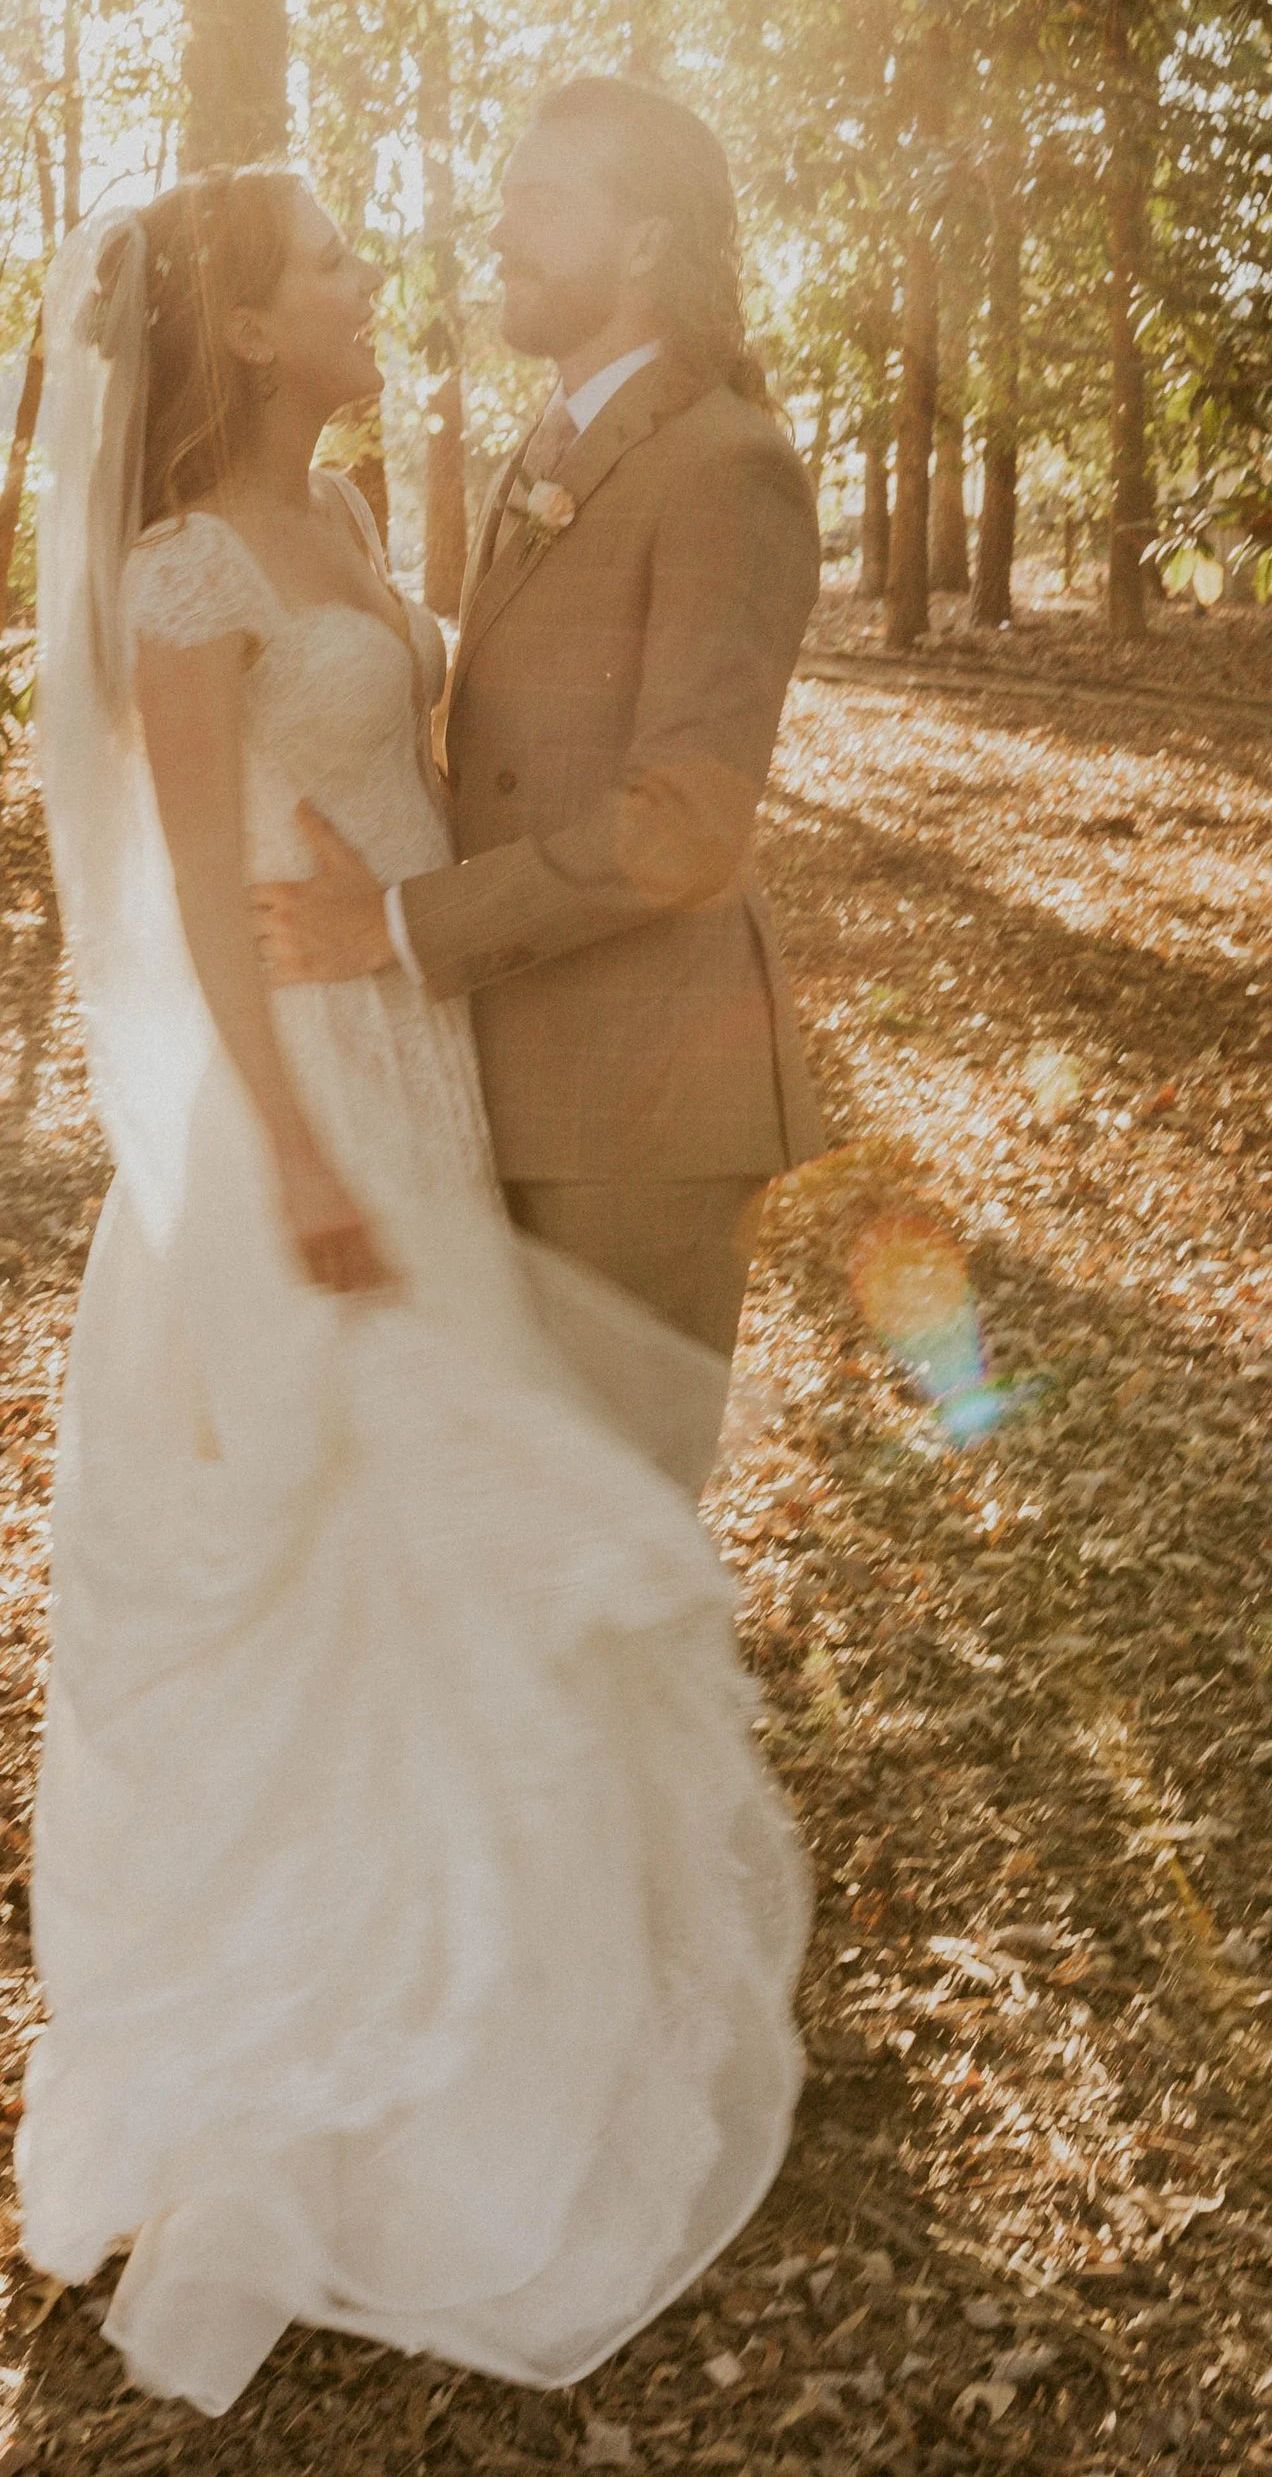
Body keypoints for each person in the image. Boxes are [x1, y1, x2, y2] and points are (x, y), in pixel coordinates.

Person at [17, 160, 808, 2420]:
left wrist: (398, 990)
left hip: (425, 1063)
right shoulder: (180, 572)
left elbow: (506, 794)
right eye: (337, 267)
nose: (389, 281)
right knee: (319, 1553)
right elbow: (181, 909)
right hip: (308, 1115)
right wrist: (281, 1166)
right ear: (248, 334)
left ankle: (491, 1986)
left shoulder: (362, 515)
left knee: (451, 1546)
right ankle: (317, 2066)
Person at [253, 74, 825, 1490]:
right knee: (506, 1547)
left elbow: (686, 830)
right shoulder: (555, 447)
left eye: (540, 202)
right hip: (489, 1083)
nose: (496, 231)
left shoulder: (724, 466)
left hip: (640, 1107)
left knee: (609, 1560)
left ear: (644, 243)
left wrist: (396, 924)